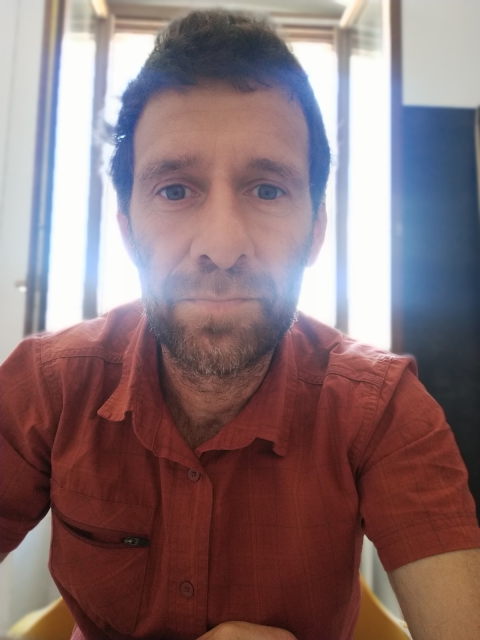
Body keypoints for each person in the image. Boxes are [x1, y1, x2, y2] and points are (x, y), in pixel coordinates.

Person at [1, 10, 479, 640]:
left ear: (316, 231)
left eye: (268, 190)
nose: (222, 247)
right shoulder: (46, 388)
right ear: (127, 230)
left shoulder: (383, 412)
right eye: (175, 190)